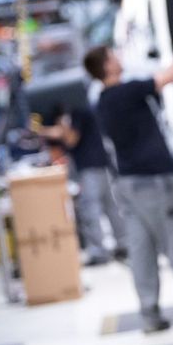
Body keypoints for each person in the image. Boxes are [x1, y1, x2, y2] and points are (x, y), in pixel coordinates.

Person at [83, 40, 173, 332]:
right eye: (113, 55)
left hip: (127, 185)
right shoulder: (128, 92)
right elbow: (171, 74)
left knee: (142, 251)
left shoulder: (103, 102)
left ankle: (150, 315)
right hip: (156, 182)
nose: (119, 57)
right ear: (106, 66)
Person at [39, 103, 128, 266]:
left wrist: (43, 130)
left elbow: (71, 139)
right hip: (101, 166)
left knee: (91, 210)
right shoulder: (83, 109)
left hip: (90, 168)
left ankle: (99, 252)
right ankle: (123, 244)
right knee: (111, 207)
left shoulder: (77, 112)